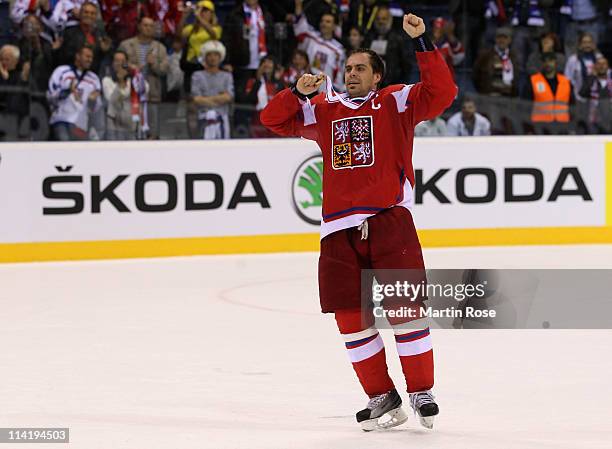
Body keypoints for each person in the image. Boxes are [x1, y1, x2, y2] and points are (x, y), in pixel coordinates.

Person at [260, 13, 456, 431]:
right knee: (350, 320)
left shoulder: (397, 102)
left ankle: (421, 390)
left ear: (377, 75)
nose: (350, 74)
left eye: (359, 68)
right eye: (347, 68)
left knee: (406, 311)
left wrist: (422, 42)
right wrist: (295, 93)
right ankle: (380, 395)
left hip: (390, 222)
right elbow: (271, 121)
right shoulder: (323, 111)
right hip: (337, 231)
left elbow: (442, 92)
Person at [118, 15, 169, 139]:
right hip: (130, 94)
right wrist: (129, 67)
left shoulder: (160, 48)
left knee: (152, 131)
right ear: (139, 26)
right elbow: (119, 63)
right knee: (130, 130)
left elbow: (164, 70)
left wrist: (154, 64)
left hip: (152, 95)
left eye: (151, 26)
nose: (148, 28)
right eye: (145, 25)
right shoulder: (126, 44)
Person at [47, 44, 103, 140]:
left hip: (82, 125)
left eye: (91, 57)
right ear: (78, 56)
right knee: (65, 151)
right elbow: (50, 96)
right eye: (87, 56)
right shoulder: (62, 72)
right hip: (62, 119)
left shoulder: (94, 79)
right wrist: (67, 90)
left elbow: (97, 108)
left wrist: (92, 101)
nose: (90, 60)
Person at [293, 0, 345, 90]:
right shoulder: (311, 37)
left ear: (334, 26)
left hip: (324, 93)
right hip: (304, 87)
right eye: (322, 21)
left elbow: (339, 76)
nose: (324, 24)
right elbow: (299, 24)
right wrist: (298, 4)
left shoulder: (338, 50)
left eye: (328, 22)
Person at [190, 40, 234, 139]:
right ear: (205, 57)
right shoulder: (197, 75)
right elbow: (196, 99)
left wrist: (206, 99)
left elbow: (228, 97)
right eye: (209, 55)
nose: (213, 58)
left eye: (216, 55)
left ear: (220, 57)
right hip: (203, 119)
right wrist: (219, 98)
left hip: (222, 118)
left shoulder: (227, 76)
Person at [102, 50, 149, 140]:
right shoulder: (107, 80)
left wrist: (136, 73)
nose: (120, 64)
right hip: (114, 127)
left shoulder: (132, 80)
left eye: (123, 61)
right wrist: (120, 82)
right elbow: (111, 100)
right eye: (117, 61)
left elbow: (145, 89)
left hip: (132, 126)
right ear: (112, 63)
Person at [524, 52, 574, 134]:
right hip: (540, 127)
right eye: (545, 61)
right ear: (542, 63)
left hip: (562, 127)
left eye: (550, 61)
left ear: (555, 63)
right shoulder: (533, 81)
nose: (548, 64)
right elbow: (525, 106)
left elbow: (572, 106)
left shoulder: (566, 82)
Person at [366, 5, 411, 86]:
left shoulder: (398, 39)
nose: (381, 22)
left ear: (390, 20)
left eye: (384, 19)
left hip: (392, 85)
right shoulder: (369, 38)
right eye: (378, 19)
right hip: (371, 85)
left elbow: (406, 66)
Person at [240, 55, 284, 137]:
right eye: (264, 62)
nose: (266, 64)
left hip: (275, 119)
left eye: (269, 62)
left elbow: (283, 103)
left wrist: (278, 80)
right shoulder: (253, 81)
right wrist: (258, 81)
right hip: (257, 119)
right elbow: (248, 100)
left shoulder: (279, 84)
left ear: (274, 66)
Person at [579, 55, 611, 134]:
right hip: (593, 123)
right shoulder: (591, 81)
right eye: (599, 64)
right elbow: (582, 93)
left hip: (610, 123)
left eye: (604, 64)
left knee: (609, 146)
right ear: (595, 66)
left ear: (608, 67)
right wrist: (592, 76)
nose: (601, 66)